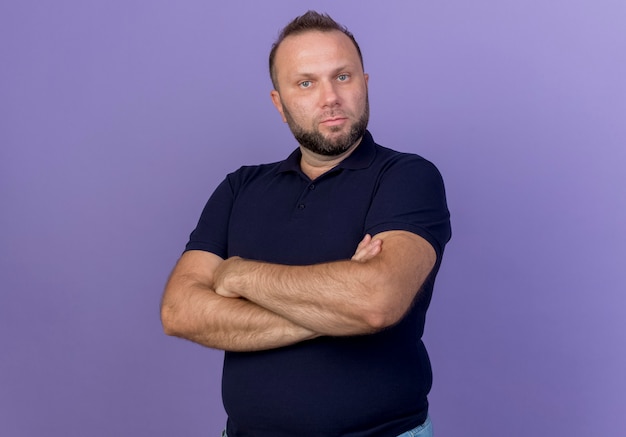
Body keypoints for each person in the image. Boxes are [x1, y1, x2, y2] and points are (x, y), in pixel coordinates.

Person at [161, 10, 451, 437]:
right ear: (280, 103)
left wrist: (236, 274)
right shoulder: (240, 187)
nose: (329, 97)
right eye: (306, 83)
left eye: (343, 77)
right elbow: (180, 311)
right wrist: (335, 309)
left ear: (365, 85)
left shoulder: (408, 177)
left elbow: (375, 302)